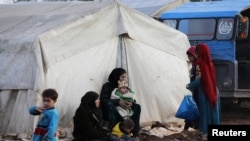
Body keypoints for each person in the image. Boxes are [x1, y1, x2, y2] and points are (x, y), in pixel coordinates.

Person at [186, 43, 221, 139]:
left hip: (204, 92)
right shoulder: (211, 64)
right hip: (213, 91)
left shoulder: (199, 65)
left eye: (197, 52)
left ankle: (204, 134)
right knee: (214, 113)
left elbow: (200, 80)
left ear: (200, 52)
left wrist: (189, 85)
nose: (196, 54)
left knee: (204, 113)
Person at [100, 68, 141, 137]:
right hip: (113, 111)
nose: (124, 79)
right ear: (116, 76)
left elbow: (130, 97)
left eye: (125, 77)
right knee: (108, 104)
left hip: (125, 110)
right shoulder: (107, 86)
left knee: (137, 106)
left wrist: (131, 103)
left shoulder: (125, 86)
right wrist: (118, 102)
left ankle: (134, 132)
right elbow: (103, 100)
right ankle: (113, 132)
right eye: (122, 77)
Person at [184, 46, 199, 131]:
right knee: (193, 108)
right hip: (195, 90)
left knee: (194, 108)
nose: (189, 58)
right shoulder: (194, 65)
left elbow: (198, 79)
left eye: (190, 56)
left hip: (198, 91)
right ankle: (190, 125)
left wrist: (190, 85)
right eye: (188, 57)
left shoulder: (198, 65)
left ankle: (192, 125)